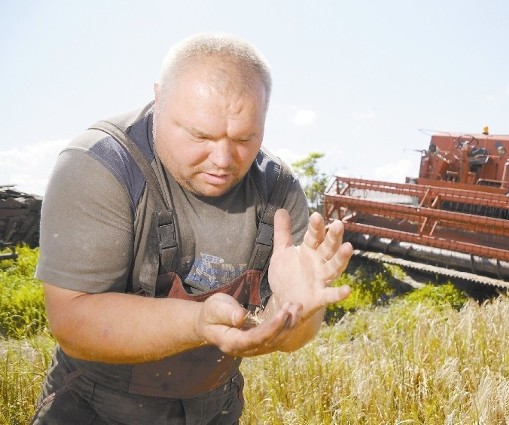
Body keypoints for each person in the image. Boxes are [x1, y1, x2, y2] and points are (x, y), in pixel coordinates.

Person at [31, 33, 353, 424]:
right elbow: (72, 320)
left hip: (213, 408)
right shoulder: (100, 166)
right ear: (159, 98)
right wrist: (199, 322)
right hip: (93, 407)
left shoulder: (278, 191)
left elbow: (292, 338)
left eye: (244, 138)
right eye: (200, 135)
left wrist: (293, 312)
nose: (222, 159)